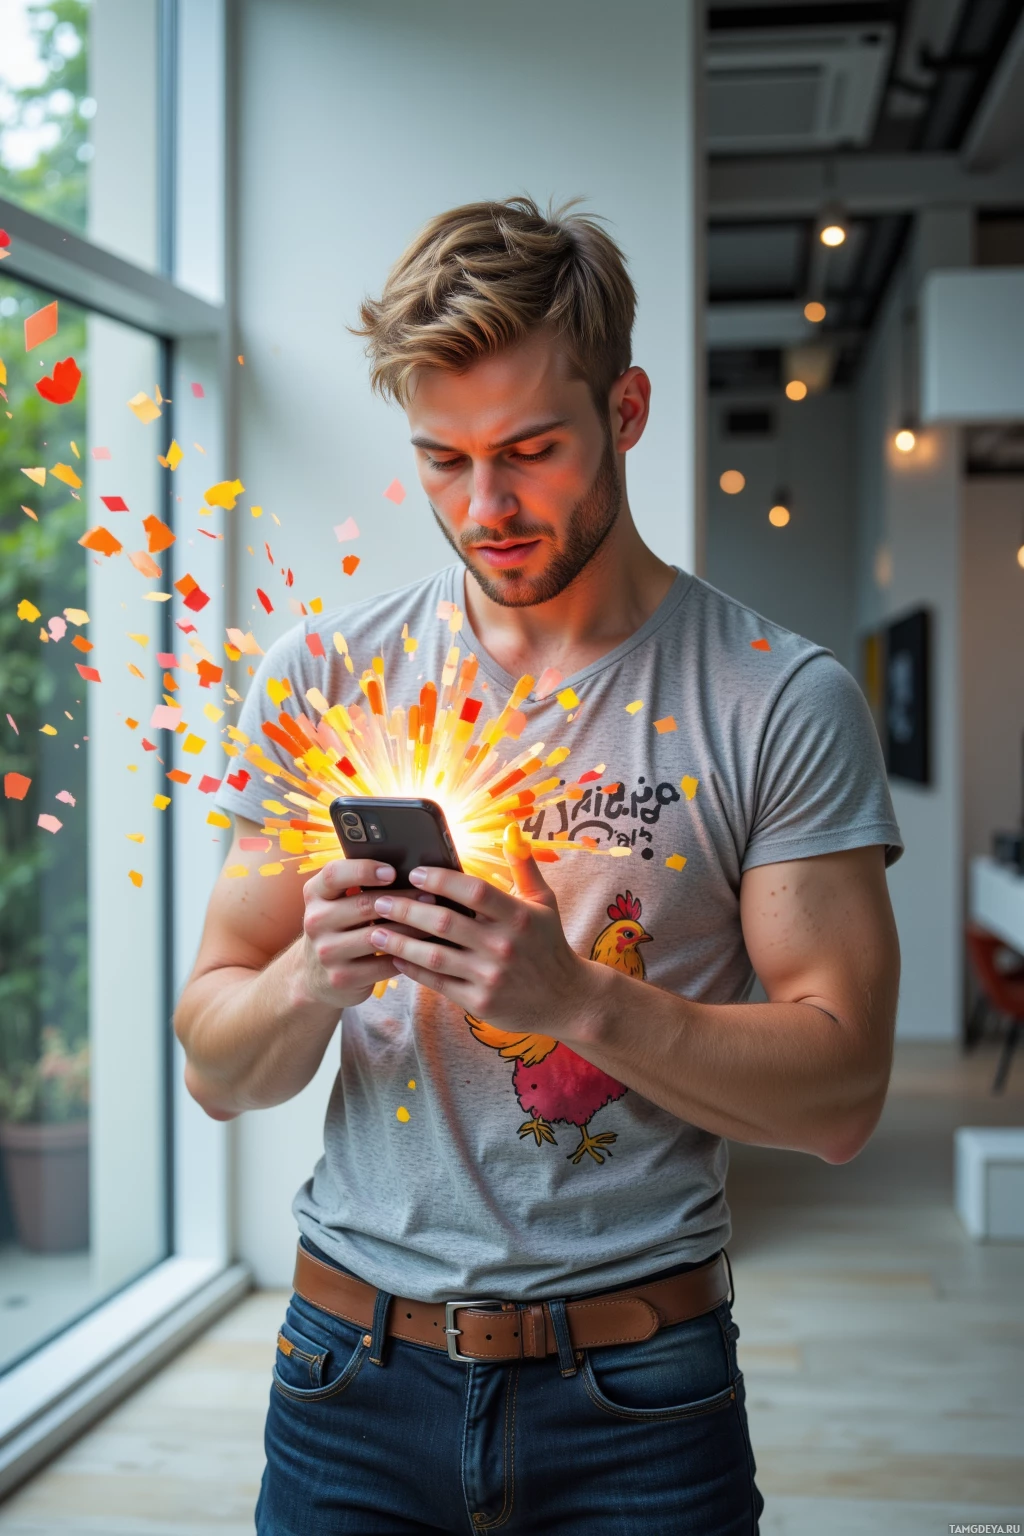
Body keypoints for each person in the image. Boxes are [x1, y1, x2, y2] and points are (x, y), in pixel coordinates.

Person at [175, 196, 902, 1534]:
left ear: (626, 411)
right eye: (442, 460)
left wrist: (572, 1001)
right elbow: (216, 1071)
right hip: (345, 1377)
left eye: (529, 451)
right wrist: (310, 979)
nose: (485, 507)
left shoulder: (776, 698)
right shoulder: (325, 679)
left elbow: (844, 1096)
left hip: (641, 1395)